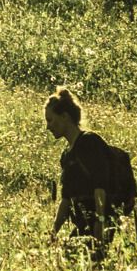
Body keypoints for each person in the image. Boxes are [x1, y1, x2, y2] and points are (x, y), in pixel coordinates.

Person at [45, 86, 121, 259]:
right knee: (70, 260)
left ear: (65, 117)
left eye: (51, 120)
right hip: (82, 224)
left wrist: (100, 224)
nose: (48, 127)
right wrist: (53, 232)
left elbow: (100, 186)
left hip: (99, 222)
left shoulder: (90, 142)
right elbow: (66, 198)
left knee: (90, 266)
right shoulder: (67, 155)